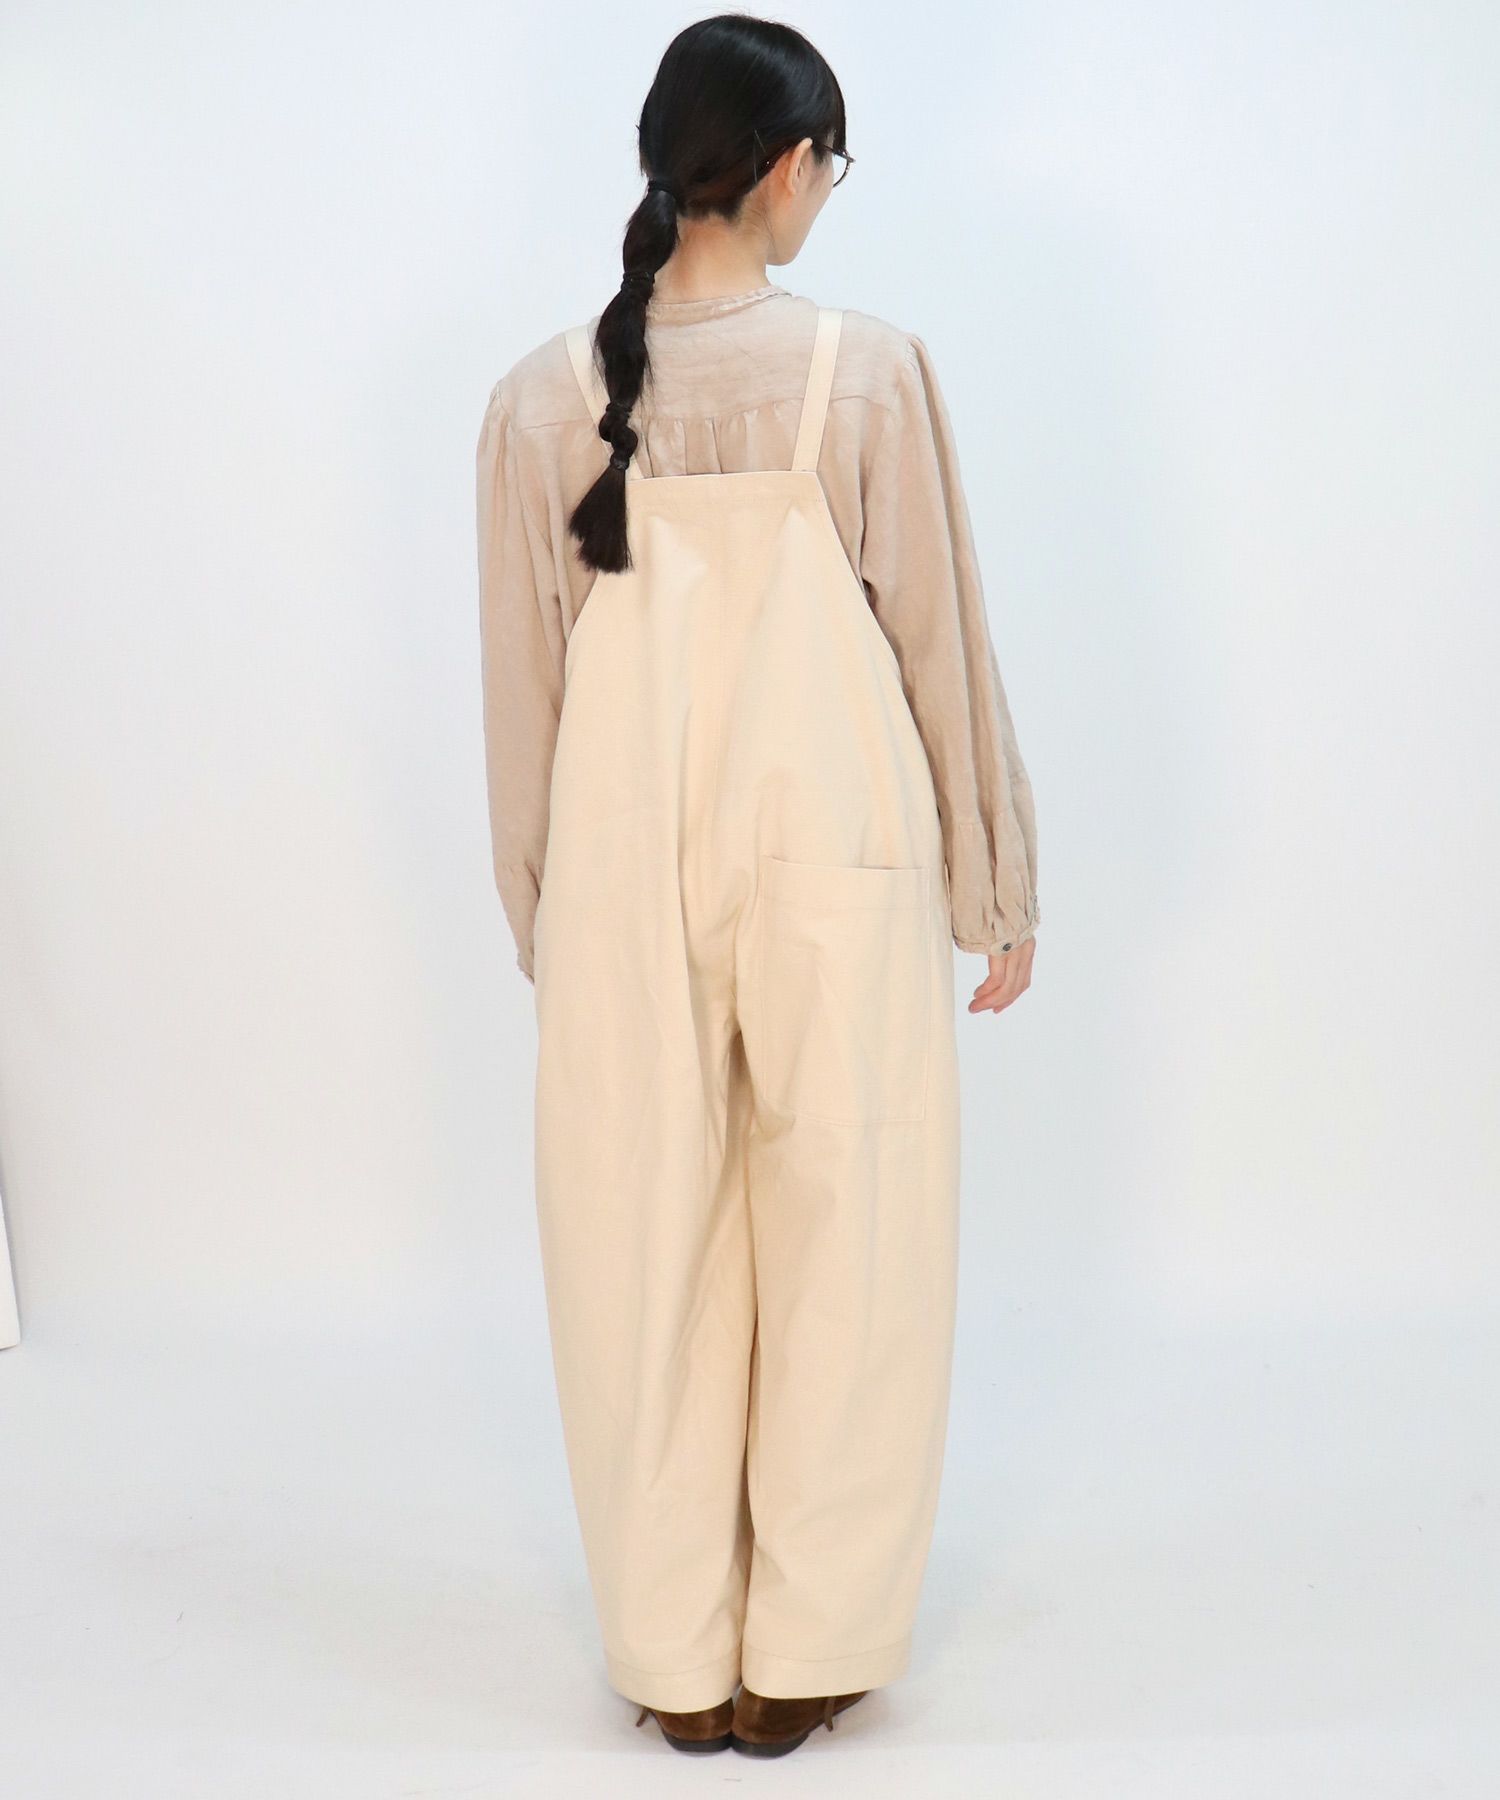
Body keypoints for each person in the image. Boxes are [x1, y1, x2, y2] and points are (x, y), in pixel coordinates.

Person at [474, 13, 1040, 1760]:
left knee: (638, 1234)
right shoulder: (865, 374)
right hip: (834, 840)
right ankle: (809, 1649)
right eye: (828, 167)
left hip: (624, 860)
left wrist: (545, 910)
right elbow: (935, 634)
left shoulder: (540, 398)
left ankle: (673, 1653)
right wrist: (992, 878)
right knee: (853, 1223)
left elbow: (525, 684)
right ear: (791, 168)